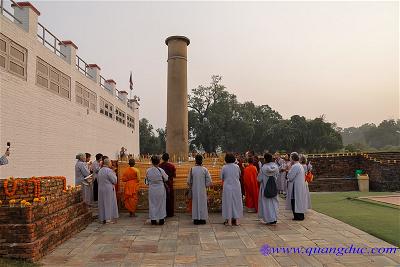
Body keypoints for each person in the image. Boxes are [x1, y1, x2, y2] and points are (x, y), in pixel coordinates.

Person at [188, 154, 212, 225]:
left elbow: (189, 181)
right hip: (202, 190)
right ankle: (202, 219)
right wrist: (206, 186)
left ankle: (196, 219)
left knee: (195, 203)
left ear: (195, 161)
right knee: (202, 203)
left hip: (194, 189)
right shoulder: (205, 169)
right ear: (202, 161)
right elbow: (209, 181)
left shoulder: (192, 169)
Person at [221, 153, 243, 226]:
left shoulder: (224, 167)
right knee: (237, 202)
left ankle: (229, 220)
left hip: (227, 186)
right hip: (236, 186)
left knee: (228, 202)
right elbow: (239, 175)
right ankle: (237, 220)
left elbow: (221, 177)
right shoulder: (237, 166)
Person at [145, 155, 168, 225]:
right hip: (160, 188)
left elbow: (146, 181)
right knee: (161, 203)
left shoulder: (148, 170)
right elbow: (166, 178)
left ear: (152, 162)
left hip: (152, 189)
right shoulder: (161, 170)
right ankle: (161, 219)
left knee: (152, 204)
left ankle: (153, 219)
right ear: (158, 162)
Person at [258, 153, 279, 224]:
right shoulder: (276, 167)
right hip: (273, 187)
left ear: (265, 159)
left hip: (265, 188)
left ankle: (269, 219)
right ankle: (274, 218)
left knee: (267, 204)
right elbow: (277, 176)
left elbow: (259, 179)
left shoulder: (263, 168)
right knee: (274, 203)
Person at [97, 157, 119, 224]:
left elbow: (98, 180)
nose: (111, 164)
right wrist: (114, 173)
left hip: (101, 189)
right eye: (110, 163)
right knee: (108, 203)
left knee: (102, 203)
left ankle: (102, 218)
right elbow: (114, 181)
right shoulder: (109, 171)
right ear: (108, 163)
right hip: (108, 189)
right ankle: (108, 219)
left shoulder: (100, 170)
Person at [286, 152, 306, 221]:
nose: (289, 159)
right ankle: (299, 215)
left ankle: (298, 216)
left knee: (295, 201)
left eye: (290, 158)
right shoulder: (299, 165)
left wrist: (288, 171)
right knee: (298, 201)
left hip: (296, 187)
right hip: (298, 186)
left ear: (293, 158)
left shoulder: (295, 166)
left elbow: (290, 177)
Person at [159, 153, 176, 217]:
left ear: (162, 158)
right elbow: (174, 175)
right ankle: (170, 213)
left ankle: (163, 212)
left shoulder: (159, 166)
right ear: (168, 158)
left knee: (163, 199)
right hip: (169, 184)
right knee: (170, 198)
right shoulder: (172, 166)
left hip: (162, 184)